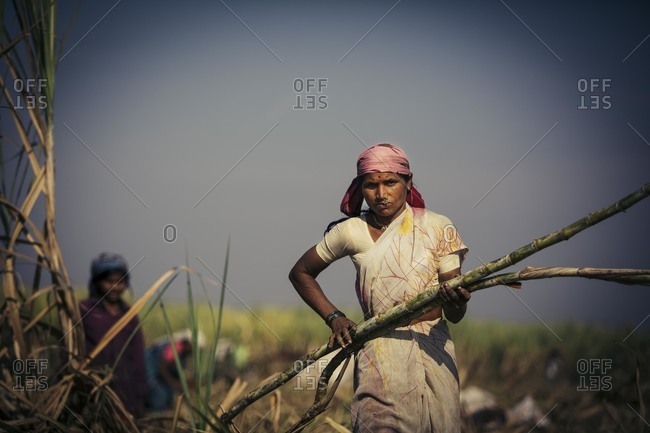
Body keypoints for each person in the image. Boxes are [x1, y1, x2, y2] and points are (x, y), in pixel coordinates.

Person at [289, 143, 471, 433]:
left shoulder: (438, 227)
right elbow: (301, 273)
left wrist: (457, 301)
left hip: (434, 349)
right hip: (379, 348)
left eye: (390, 183)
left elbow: (456, 313)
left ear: (408, 182)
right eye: (371, 185)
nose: (381, 194)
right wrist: (334, 317)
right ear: (360, 187)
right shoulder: (351, 230)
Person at [79, 252, 147, 418]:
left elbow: (138, 358)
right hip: (92, 391)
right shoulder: (83, 310)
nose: (116, 287)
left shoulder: (129, 316)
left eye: (120, 282)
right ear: (97, 282)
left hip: (125, 394)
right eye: (109, 282)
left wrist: (141, 396)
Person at [145, 330, 203, 411]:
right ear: (188, 343)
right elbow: (162, 368)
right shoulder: (176, 346)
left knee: (169, 395)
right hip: (150, 367)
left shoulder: (184, 356)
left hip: (159, 373)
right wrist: (174, 383)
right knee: (159, 394)